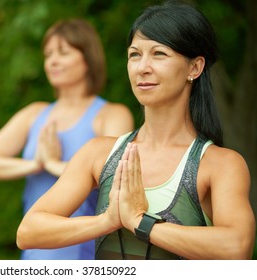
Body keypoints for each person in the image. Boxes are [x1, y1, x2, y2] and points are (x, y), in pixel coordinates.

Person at [16, 1, 256, 260]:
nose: (143, 67)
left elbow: (236, 247)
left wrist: (141, 222)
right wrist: (108, 220)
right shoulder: (99, 152)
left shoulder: (220, 164)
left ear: (194, 68)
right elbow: (29, 231)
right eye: (134, 55)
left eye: (159, 54)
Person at [0, 18, 134, 260]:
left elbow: (116, 177)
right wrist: (36, 164)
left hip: (85, 252)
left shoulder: (112, 115)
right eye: (48, 54)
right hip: (34, 250)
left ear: (88, 59)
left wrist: (54, 164)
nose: (52, 61)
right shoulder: (34, 113)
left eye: (63, 52)